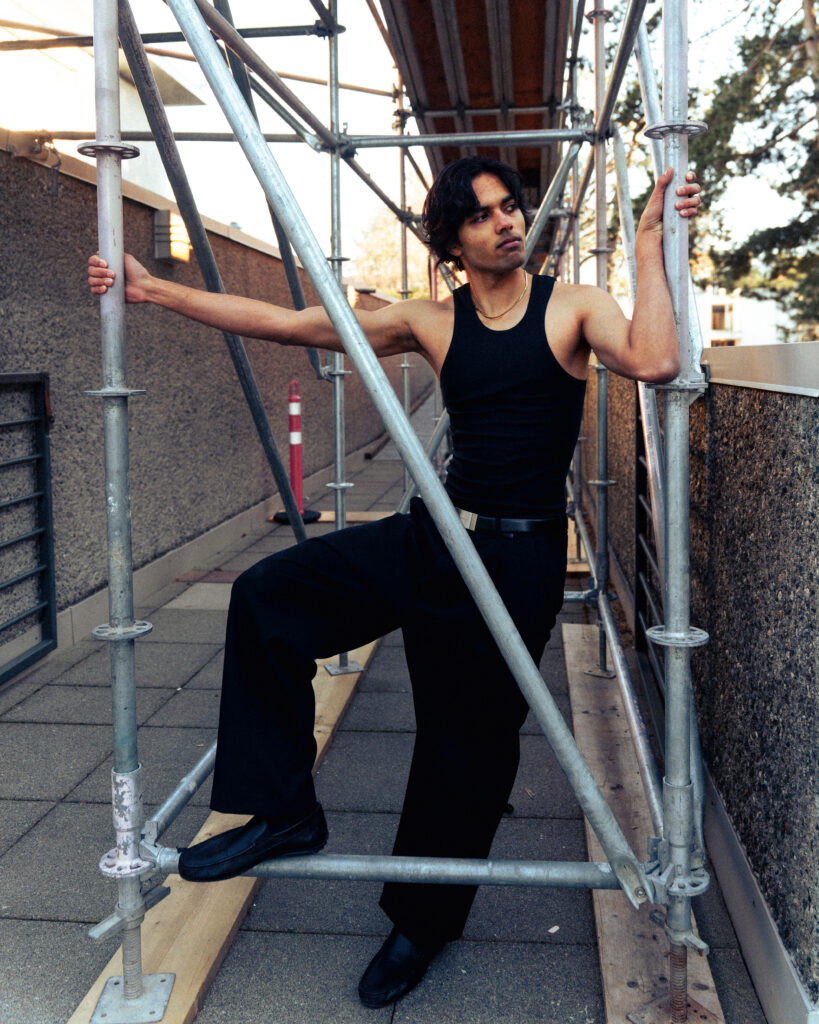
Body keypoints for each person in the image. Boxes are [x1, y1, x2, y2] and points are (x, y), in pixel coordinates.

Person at [88, 156, 700, 1008]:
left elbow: (657, 359)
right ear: (452, 243)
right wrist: (157, 291)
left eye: (509, 207)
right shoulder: (428, 320)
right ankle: (283, 811)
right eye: (482, 215)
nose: (506, 222)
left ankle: (421, 924)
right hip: (434, 537)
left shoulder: (573, 306)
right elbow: (289, 324)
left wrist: (646, 247)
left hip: (516, 561)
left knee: (464, 745)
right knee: (268, 596)